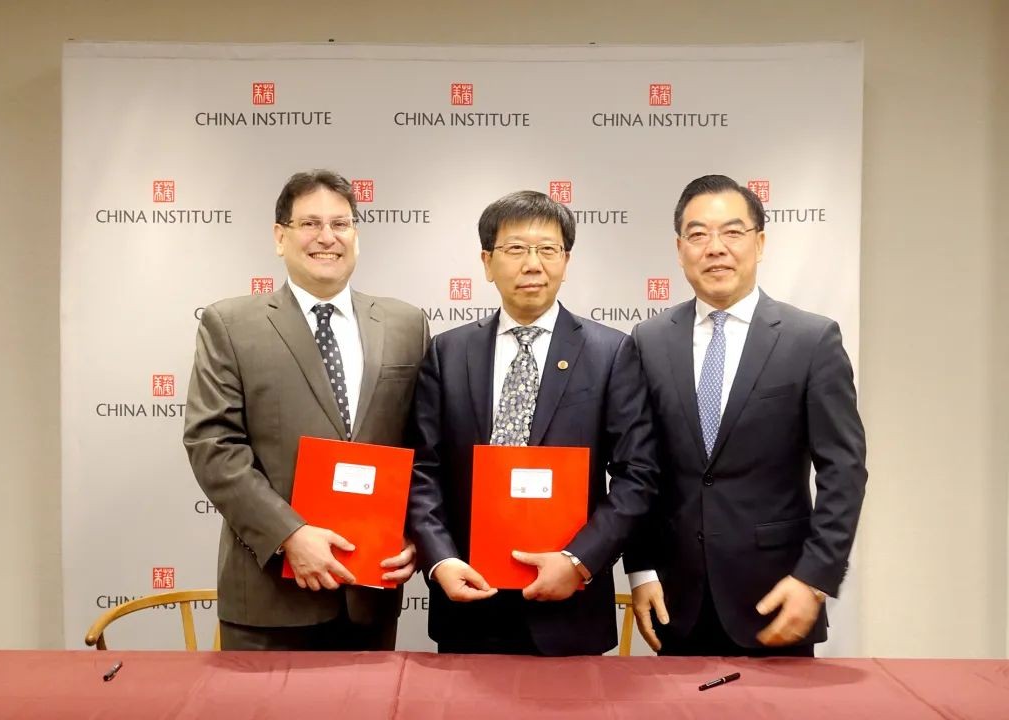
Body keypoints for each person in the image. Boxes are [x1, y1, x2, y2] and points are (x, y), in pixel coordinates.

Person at [183, 169, 429, 650]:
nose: (327, 237)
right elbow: (213, 446)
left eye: (340, 224)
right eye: (310, 224)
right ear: (280, 236)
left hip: (370, 593)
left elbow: (425, 447)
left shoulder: (407, 325)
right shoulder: (230, 325)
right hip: (269, 597)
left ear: (356, 235)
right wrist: (290, 535)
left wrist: (417, 533)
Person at [407, 190, 659, 656]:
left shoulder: (611, 353)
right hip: (469, 603)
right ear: (487, 262)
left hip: (571, 607)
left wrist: (579, 561)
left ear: (566, 261)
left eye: (548, 249)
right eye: (516, 249)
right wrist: (440, 560)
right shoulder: (448, 352)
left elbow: (637, 475)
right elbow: (423, 469)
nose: (532, 264)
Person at [625, 174, 867, 657]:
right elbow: (638, 468)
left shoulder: (811, 340)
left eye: (732, 232)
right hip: (677, 600)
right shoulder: (649, 340)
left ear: (760, 243)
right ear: (680, 250)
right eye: (698, 234)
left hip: (777, 597)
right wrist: (642, 570)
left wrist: (814, 577)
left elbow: (843, 470)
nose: (715, 248)